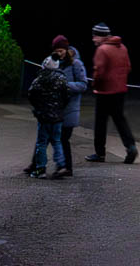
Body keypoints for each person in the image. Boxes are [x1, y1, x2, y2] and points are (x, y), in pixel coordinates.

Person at [87, 22, 138, 163]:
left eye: (95, 36)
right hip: (120, 91)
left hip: (104, 92)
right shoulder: (122, 47)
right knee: (120, 120)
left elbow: (99, 72)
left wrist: (94, 85)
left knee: (100, 123)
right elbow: (128, 67)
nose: (93, 39)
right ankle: (131, 147)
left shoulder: (102, 50)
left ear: (102, 36)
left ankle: (100, 154)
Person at [43, 34, 88, 175]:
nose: (59, 54)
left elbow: (83, 85)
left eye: (61, 51)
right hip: (55, 108)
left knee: (62, 138)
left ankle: (65, 167)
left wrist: (65, 85)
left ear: (67, 50)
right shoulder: (51, 63)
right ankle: (61, 167)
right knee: (49, 138)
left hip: (70, 109)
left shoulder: (76, 64)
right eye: (56, 51)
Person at [25, 48, 70, 177]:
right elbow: (67, 95)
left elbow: (31, 94)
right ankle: (61, 165)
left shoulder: (40, 79)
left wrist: (38, 107)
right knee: (57, 141)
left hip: (44, 116)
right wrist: (60, 107)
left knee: (42, 143)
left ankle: (41, 169)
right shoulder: (62, 79)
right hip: (57, 116)